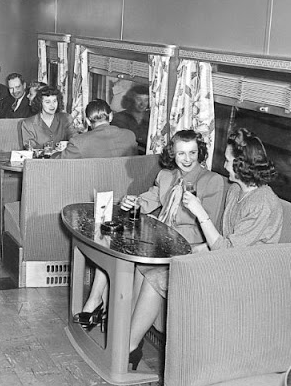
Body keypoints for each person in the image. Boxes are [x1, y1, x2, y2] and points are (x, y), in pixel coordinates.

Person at [74, 130, 228, 368]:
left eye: (192, 153)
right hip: (160, 242)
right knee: (114, 245)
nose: (187, 159)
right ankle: (103, 311)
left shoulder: (212, 181)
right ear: (173, 154)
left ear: (200, 153)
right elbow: (148, 200)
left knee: (139, 265)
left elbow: (209, 227)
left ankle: (123, 337)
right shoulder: (166, 176)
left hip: (189, 247)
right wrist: (132, 202)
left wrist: (168, 231)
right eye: (181, 153)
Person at [52, 99, 138, 159]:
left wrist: (56, 153)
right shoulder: (130, 136)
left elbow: (57, 163)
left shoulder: (78, 142)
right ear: (111, 116)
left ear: (88, 121)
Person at [20, 86, 77, 150]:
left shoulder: (66, 118)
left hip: (63, 156)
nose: (52, 105)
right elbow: (30, 149)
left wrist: (67, 143)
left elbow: (76, 140)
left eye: (54, 101)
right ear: (40, 103)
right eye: (47, 102)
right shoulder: (28, 124)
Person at [111, 84, 150, 153]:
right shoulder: (119, 118)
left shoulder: (152, 119)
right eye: (139, 99)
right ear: (132, 99)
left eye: (146, 100)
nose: (142, 104)